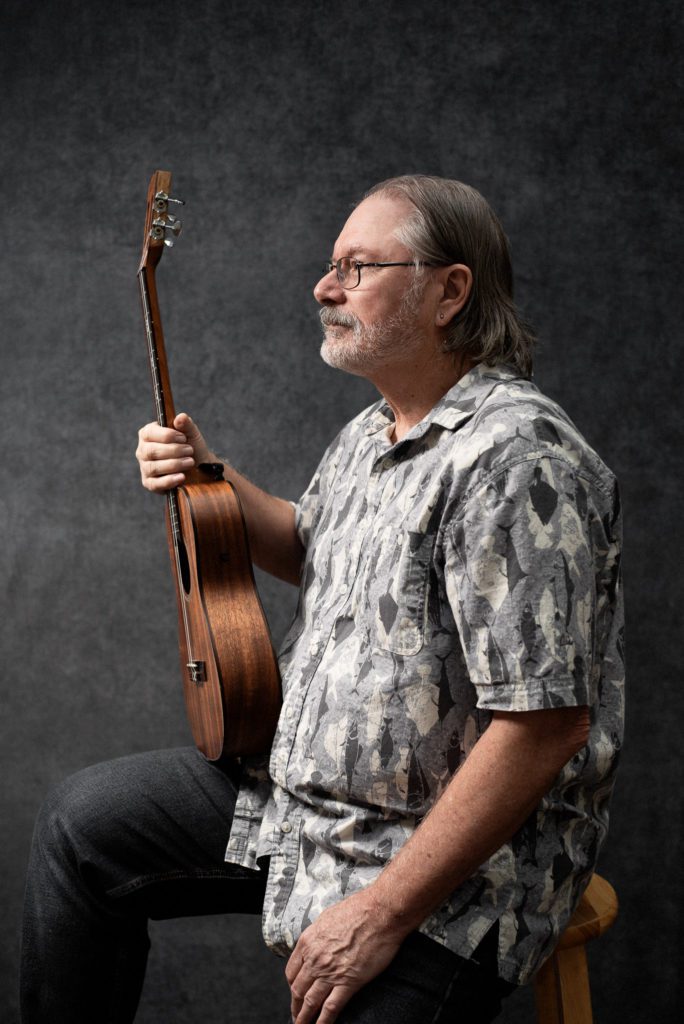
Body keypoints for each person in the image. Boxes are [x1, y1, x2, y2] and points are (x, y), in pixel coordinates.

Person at [21, 175, 624, 1024]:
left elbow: (544, 726)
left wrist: (380, 914)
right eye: (329, 265)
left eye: (357, 266)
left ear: (450, 291)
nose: (323, 286)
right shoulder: (373, 432)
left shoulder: (519, 461)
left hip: (447, 867)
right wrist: (210, 476)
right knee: (81, 827)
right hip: (303, 808)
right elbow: (316, 549)